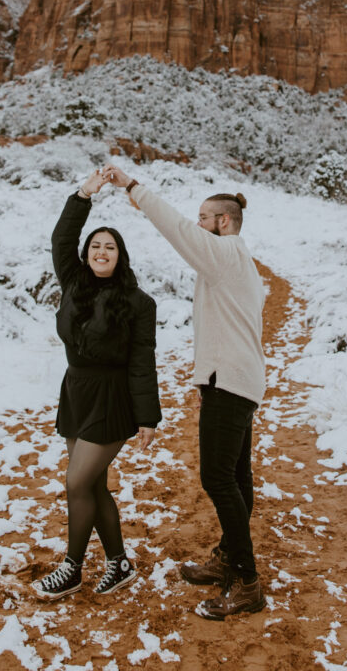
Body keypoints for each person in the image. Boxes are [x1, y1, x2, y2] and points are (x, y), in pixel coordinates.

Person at [104, 164, 266, 621]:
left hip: (231, 382)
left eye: (204, 217)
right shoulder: (238, 261)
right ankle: (227, 559)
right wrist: (205, 375)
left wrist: (133, 187)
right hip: (236, 379)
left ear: (224, 221)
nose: (198, 224)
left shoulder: (225, 252)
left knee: (217, 479)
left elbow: (174, 228)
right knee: (235, 478)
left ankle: (248, 582)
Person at [33, 168, 161, 601]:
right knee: (92, 485)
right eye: (95, 245)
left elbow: (143, 362)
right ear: (86, 253)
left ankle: (71, 568)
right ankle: (118, 563)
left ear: (120, 256)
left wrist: (147, 418)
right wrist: (84, 194)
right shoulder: (73, 283)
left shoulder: (139, 303)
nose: (101, 251)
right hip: (77, 392)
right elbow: (59, 240)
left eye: (110, 246)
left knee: (75, 483)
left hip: (112, 399)